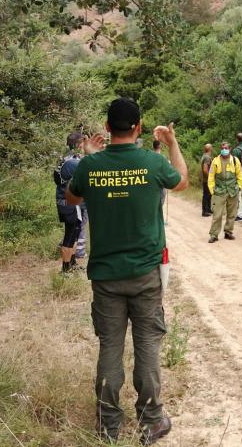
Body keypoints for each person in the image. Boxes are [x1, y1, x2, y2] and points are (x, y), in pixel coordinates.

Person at [65, 97, 188, 444]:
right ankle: (150, 421)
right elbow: (181, 181)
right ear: (139, 127)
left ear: (107, 127)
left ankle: (108, 426)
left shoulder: (90, 166)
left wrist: (89, 157)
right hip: (145, 274)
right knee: (147, 344)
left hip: (105, 275)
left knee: (110, 347)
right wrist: (172, 142)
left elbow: (73, 199)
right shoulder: (151, 161)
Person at [55, 132, 86, 273]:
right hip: (70, 203)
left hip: (70, 201)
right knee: (69, 235)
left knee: (75, 233)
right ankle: (65, 269)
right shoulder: (73, 162)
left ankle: (72, 263)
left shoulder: (67, 158)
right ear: (77, 144)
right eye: (82, 143)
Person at [207, 141, 242, 243]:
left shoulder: (235, 160)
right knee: (217, 214)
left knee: (232, 213)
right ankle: (214, 235)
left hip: (233, 191)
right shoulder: (215, 161)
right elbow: (211, 177)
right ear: (220, 149)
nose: (224, 150)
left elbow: (240, 175)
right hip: (219, 191)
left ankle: (228, 232)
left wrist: (239, 187)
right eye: (223, 148)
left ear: (230, 149)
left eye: (226, 148)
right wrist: (212, 190)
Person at [200, 144, 213, 217]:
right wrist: (210, 177)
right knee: (206, 195)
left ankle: (208, 209)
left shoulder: (204, 156)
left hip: (205, 179)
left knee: (208, 194)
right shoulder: (207, 157)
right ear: (210, 149)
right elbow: (205, 169)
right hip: (207, 179)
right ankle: (204, 211)